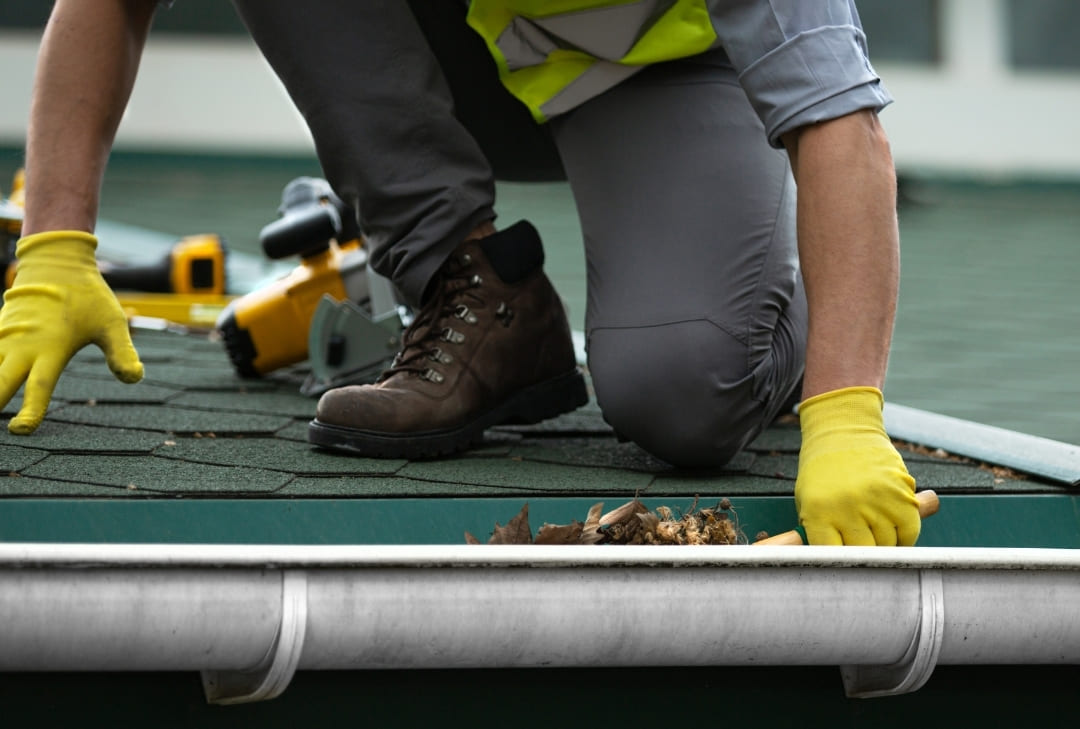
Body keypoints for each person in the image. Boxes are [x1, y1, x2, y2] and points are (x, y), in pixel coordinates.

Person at [0, 0, 920, 546]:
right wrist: (54, 251)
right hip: (467, 48)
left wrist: (843, 407)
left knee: (685, 396)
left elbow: (842, 125)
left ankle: (779, 312)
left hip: (661, 78)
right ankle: (467, 284)